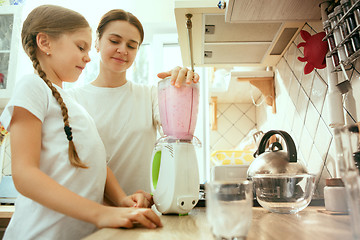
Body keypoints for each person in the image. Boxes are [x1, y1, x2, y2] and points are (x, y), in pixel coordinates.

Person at [0, 5, 161, 240]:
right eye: (80, 47)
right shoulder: (32, 87)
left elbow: (95, 164)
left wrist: (122, 200)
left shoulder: (72, 105)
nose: (88, 57)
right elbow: (24, 174)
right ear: (45, 43)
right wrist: (101, 213)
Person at [67, 9, 200, 196]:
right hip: (93, 214)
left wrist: (180, 88)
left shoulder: (151, 95)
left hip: (142, 212)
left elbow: (175, 133)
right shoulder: (72, 99)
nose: (122, 50)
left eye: (131, 45)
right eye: (114, 41)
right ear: (97, 42)